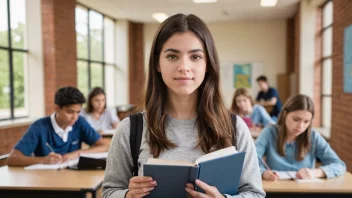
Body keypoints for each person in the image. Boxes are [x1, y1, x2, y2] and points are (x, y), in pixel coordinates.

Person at [103, 13, 265, 198]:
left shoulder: (235, 127)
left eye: (195, 57)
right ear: (157, 63)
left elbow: (255, 194)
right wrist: (127, 196)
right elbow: (109, 191)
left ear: (208, 64)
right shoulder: (130, 129)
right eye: (172, 56)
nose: (184, 66)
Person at [7, 87, 109, 166]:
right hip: (44, 181)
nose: (75, 117)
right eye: (70, 112)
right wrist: (43, 160)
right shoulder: (39, 127)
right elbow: (12, 158)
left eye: (78, 112)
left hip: (73, 179)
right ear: (57, 108)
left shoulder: (80, 122)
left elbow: (105, 146)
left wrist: (77, 154)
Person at [256, 94, 346, 181]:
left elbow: (339, 165)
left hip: (306, 191)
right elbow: (250, 162)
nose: (300, 126)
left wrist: (316, 173)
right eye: (296, 119)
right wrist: (263, 173)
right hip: (275, 190)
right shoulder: (269, 133)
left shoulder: (314, 136)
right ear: (285, 114)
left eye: (306, 121)